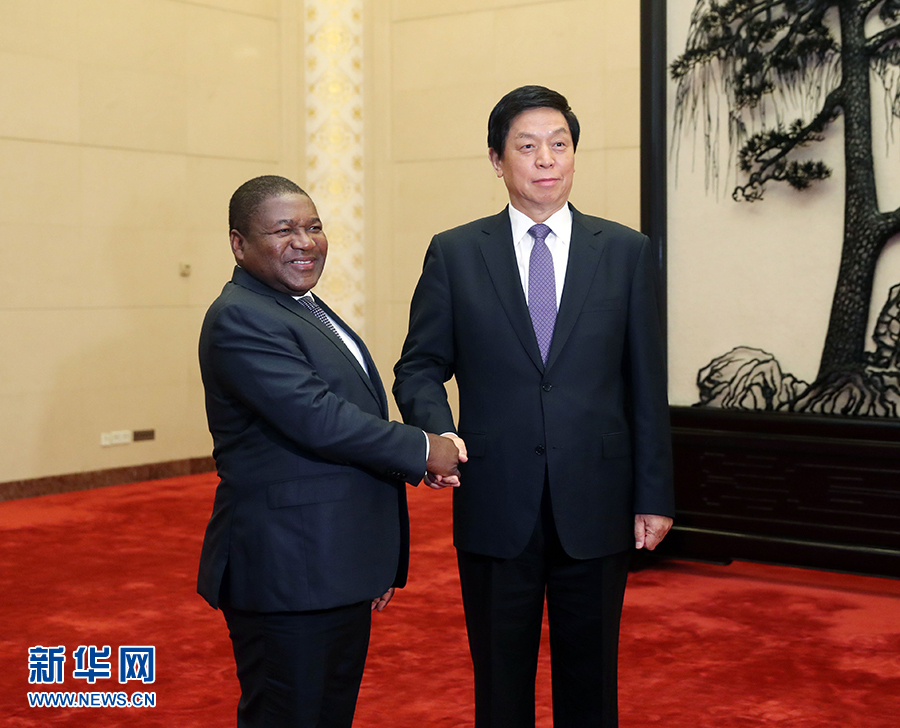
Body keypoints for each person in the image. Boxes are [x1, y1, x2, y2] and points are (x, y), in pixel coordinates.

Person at [393, 86, 675, 727]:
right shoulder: (456, 253)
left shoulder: (625, 252)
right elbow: (419, 367)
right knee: (500, 686)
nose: (546, 159)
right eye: (527, 146)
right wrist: (439, 434)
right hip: (495, 497)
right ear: (497, 160)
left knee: (591, 685)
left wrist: (654, 493)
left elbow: (645, 383)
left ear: (574, 154)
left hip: (598, 499)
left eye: (559, 144)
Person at [197, 175, 462, 728]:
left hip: (330, 564)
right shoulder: (241, 315)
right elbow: (319, 419)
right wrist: (423, 448)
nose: (305, 241)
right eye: (283, 230)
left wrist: (369, 561)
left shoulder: (302, 307)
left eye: (314, 226)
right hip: (286, 572)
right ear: (239, 244)